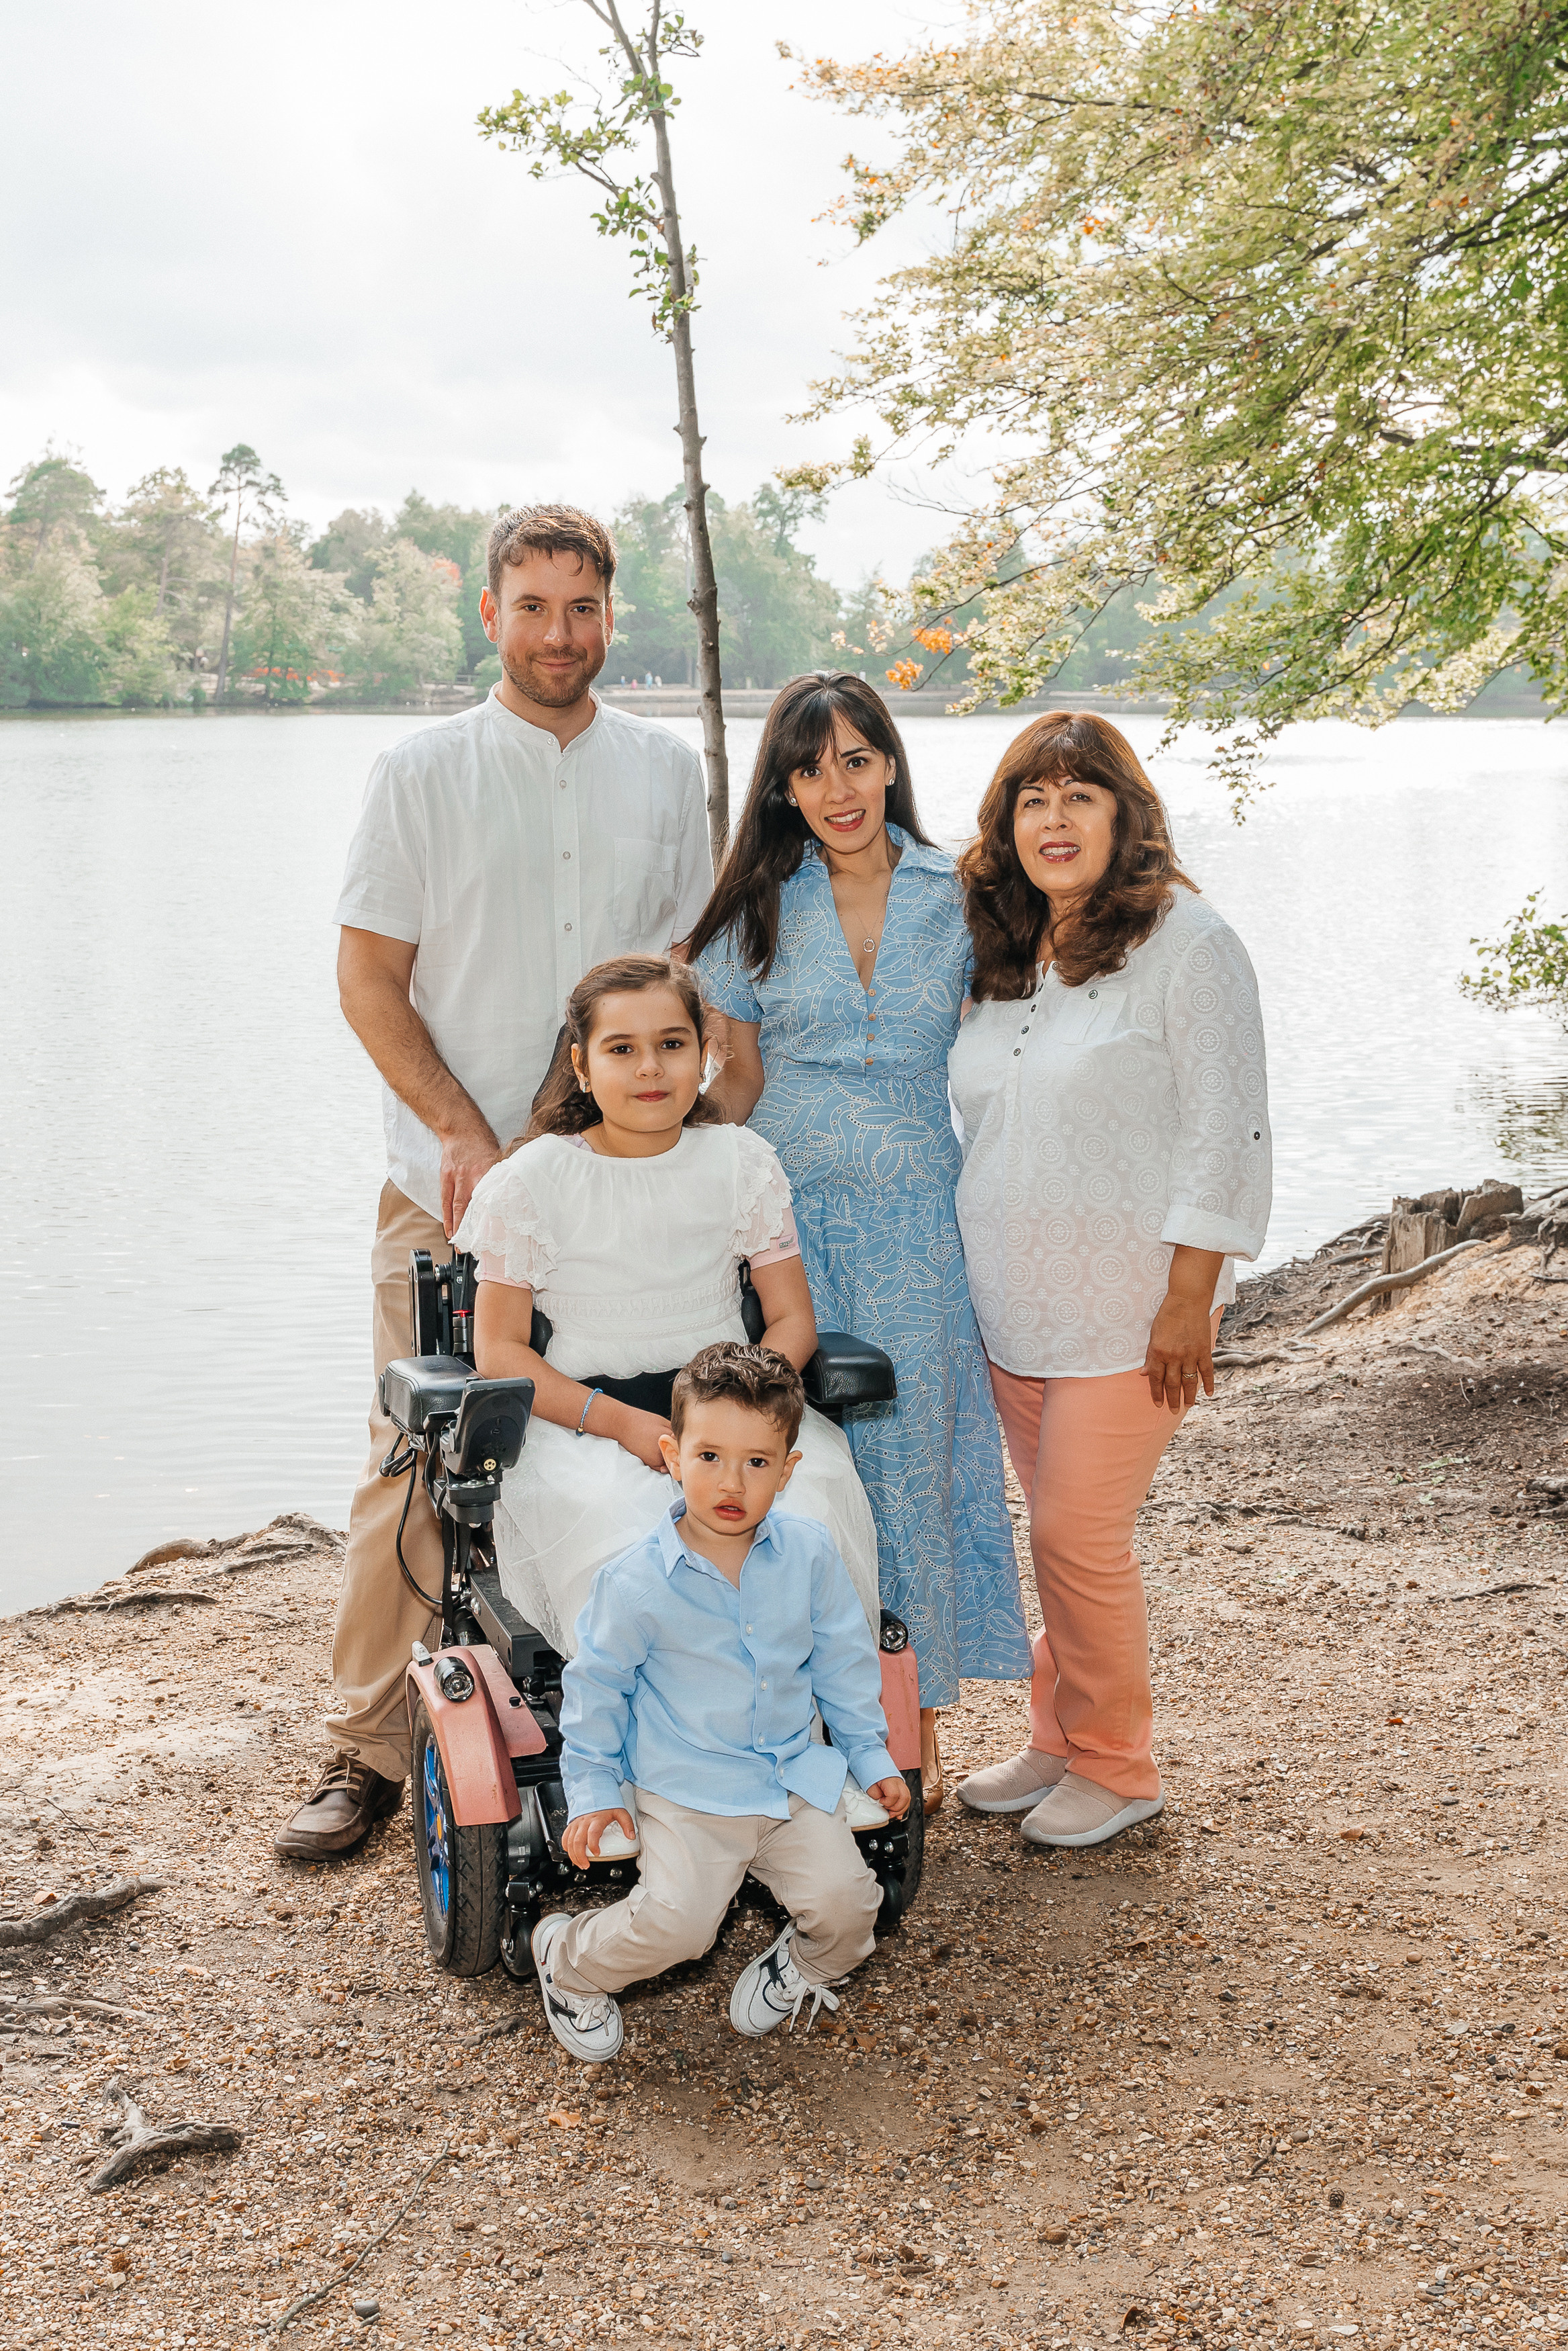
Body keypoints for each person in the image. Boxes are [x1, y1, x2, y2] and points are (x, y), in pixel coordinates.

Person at [275, 504, 713, 1863]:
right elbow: (366, 981)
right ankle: (366, 1751)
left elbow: (689, 973)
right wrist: (467, 1133)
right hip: (449, 1188)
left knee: (635, 1426)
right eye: (533, 607)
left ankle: (644, 1715)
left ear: (609, 615)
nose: (560, 635)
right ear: (490, 614)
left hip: (622, 1180)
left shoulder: (663, 774)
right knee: (419, 1453)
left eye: (583, 608)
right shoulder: (419, 774)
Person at [688, 673, 1031, 1815]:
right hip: (784, 1229)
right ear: (782, 790)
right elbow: (734, 1079)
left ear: (889, 763)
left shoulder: (965, 894)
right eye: (807, 769)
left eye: (855, 760)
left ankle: (913, 1721)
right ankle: (791, 1716)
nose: (836, 788)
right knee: (793, 1467)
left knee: (913, 1466)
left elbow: (1013, 1052)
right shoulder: (758, 909)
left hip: (924, 1228)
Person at [949, 713, 1271, 1849]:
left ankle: (1121, 1764)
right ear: (1007, 826)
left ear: (1127, 815)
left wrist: (1193, 1296)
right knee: (1055, 1537)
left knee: (1079, 1537)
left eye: (1081, 796)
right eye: (1034, 799)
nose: (1056, 819)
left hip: (1131, 1311)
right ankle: (1059, 1738)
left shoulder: (1190, 941)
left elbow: (1228, 1129)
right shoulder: (1001, 953)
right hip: (1013, 1307)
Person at [455, 955, 882, 1656]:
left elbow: (791, 1319)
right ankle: (666, 1753)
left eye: (672, 1044)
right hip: (591, 1426)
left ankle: (799, 1739)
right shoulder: (532, 1180)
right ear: (583, 1065)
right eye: (621, 1049)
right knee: (629, 1540)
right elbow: (500, 1350)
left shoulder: (741, 1161)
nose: (650, 1067)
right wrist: (623, 1424)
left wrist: (738, 1412)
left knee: (809, 1511)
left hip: (734, 1409)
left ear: (703, 1054)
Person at [531, 1342, 909, 2061]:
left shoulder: (809, 1553)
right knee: (680, 1928)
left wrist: (868, 1754)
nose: (730, 1480)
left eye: (756, 1462)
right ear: (672, 1455)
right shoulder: (636, 1579)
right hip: (688, 1785)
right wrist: (592, 1791)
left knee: (852, 1907)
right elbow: (596, 1690)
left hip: (791, 1776)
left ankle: (801, 1964)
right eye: (709, 1456)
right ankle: (568, 1959)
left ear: (787, 1470)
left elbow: (843, 1663)